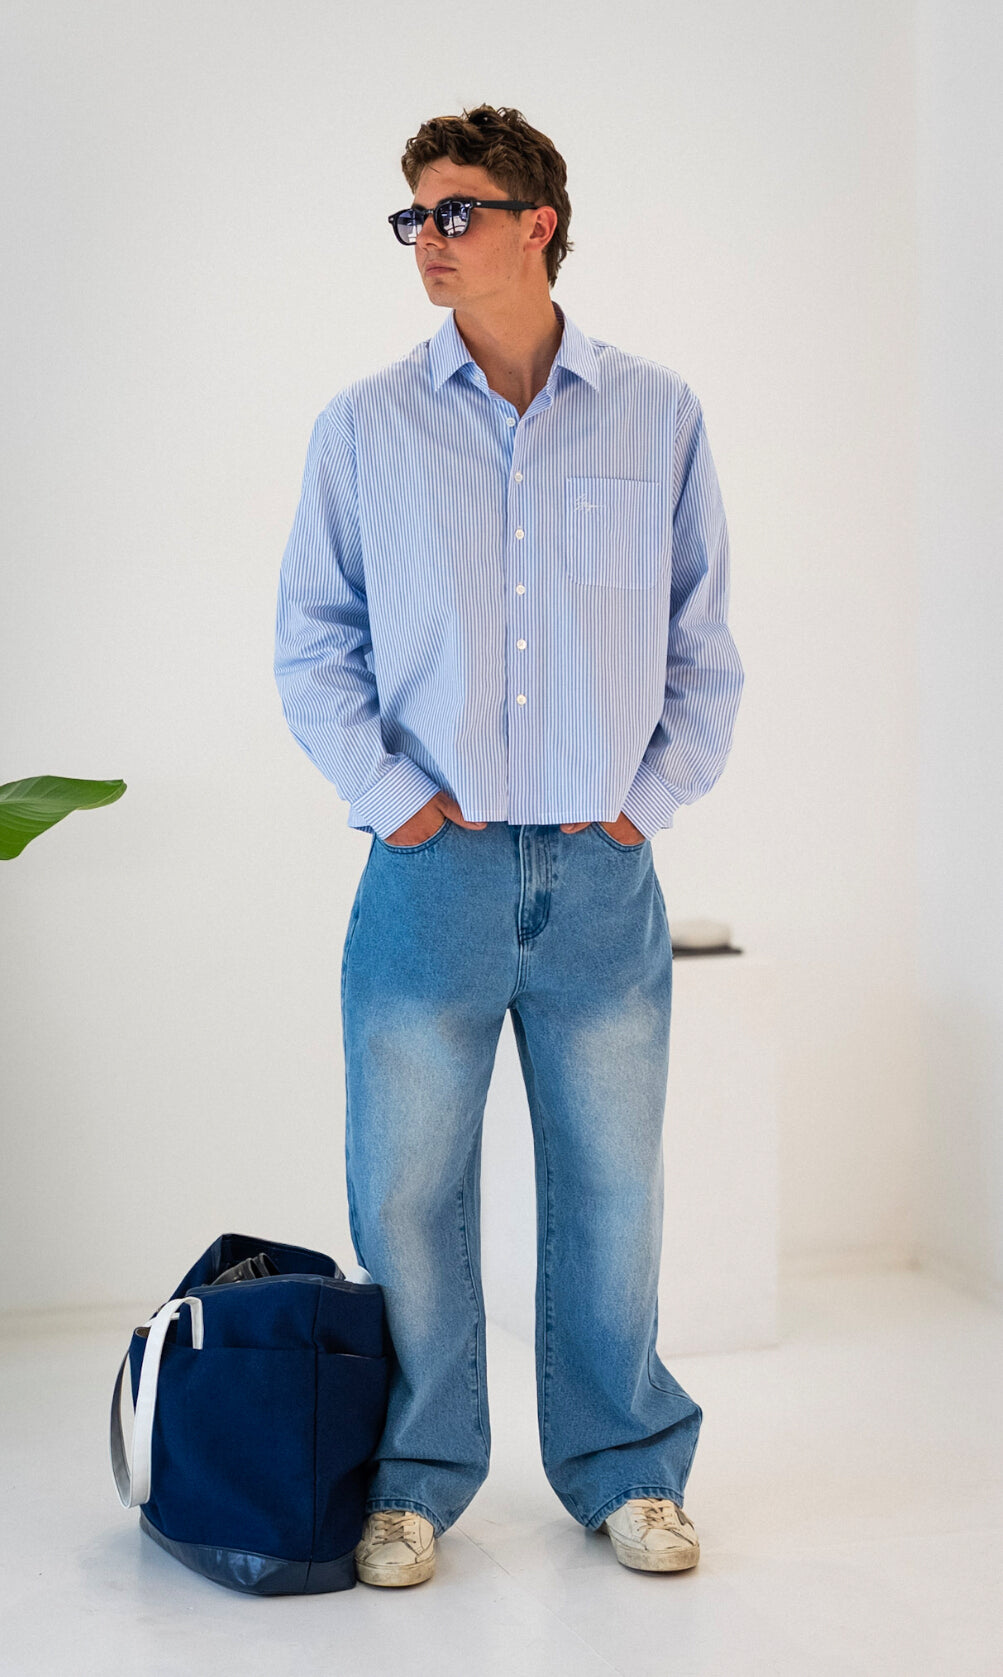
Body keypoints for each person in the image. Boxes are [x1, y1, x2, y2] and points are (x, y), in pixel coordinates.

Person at [273, 103, 744, 1586]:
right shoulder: (363, 424)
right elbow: (313, 643)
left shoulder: (658, 413)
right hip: (430, 870)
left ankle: (627, 1469)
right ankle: (411, 1478)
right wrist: (401, 800)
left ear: (540, 220)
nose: (429, 239)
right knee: (406, 1188)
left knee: (613, 1185)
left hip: (603, 875)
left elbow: (702, 644)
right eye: (412, 216)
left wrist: (643, 801)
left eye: (458, 210)